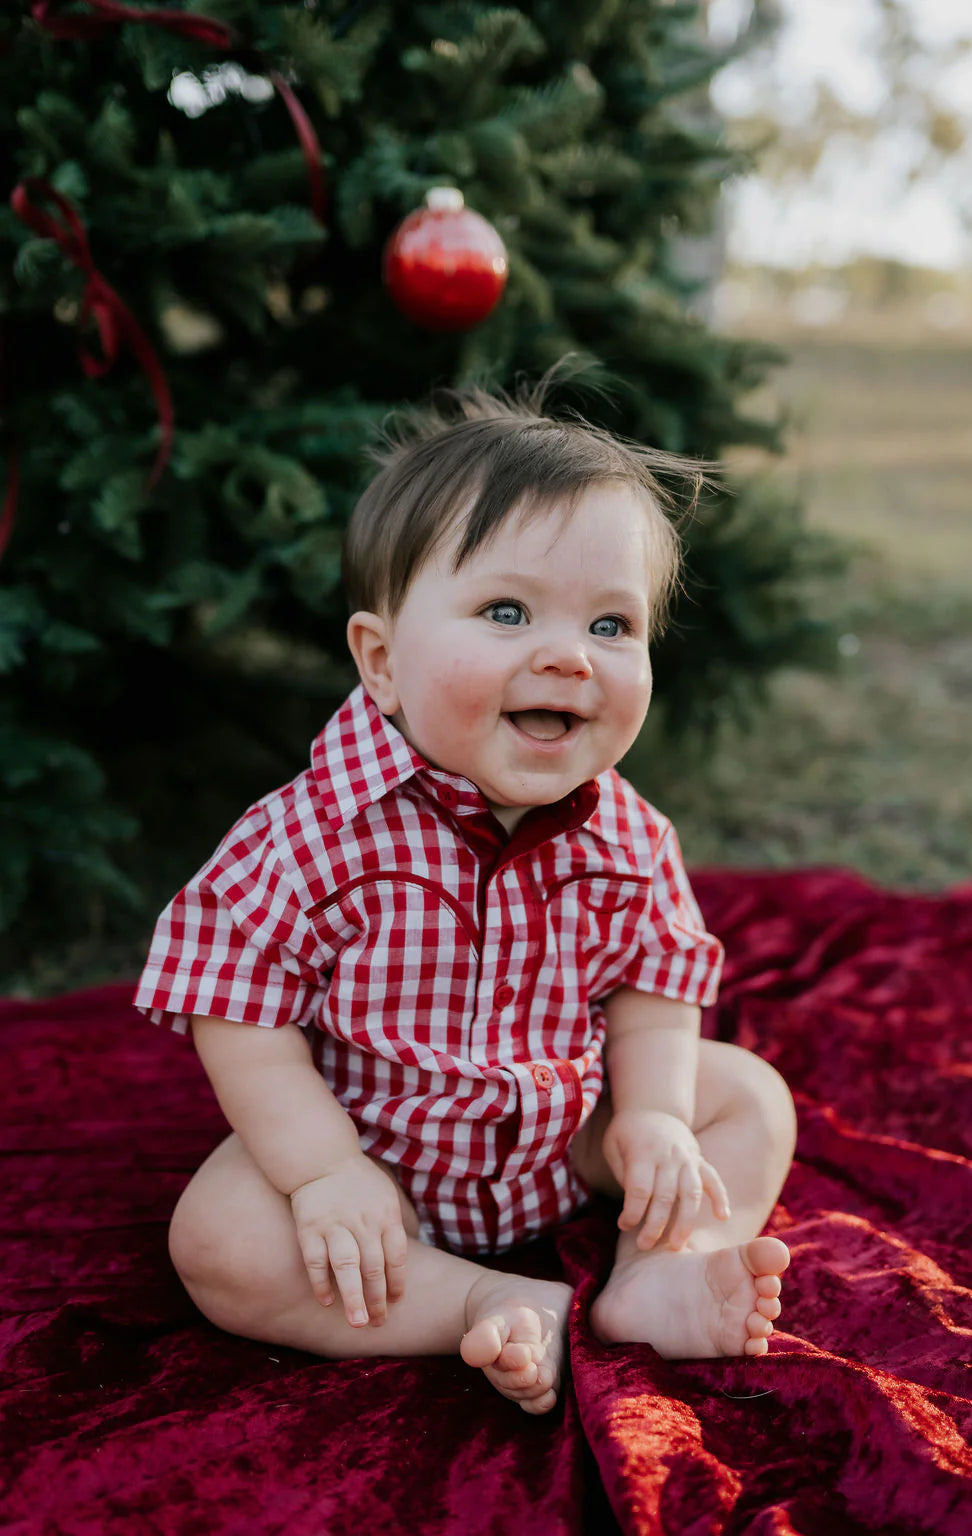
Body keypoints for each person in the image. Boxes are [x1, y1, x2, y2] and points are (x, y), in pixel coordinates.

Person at [135, 379, 796, 1416]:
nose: (568, 655)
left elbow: (652, 991)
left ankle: (661, 1267)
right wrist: (320, 1173)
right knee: (218, 1239)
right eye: (504, 611)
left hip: (563, 1132)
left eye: (612, 624)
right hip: (374, 1148)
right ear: (382, 661)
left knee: (747, 1095)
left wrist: (656, 1120)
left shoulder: (627, 834)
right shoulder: (309, 836)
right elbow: (239, 1014)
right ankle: (480, 1301)